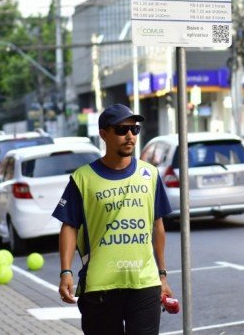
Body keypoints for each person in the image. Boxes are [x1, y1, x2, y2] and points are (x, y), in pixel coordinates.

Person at [53, 104, 173, 335]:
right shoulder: (83, 179)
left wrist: (162, 276)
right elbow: (69, 226)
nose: (129, 135)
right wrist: (65, 271)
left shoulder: (150, 175)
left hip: (144, 283)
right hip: (100, 286)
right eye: (121, 129)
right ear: (103, 134)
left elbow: (157, 225)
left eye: (134, 129)